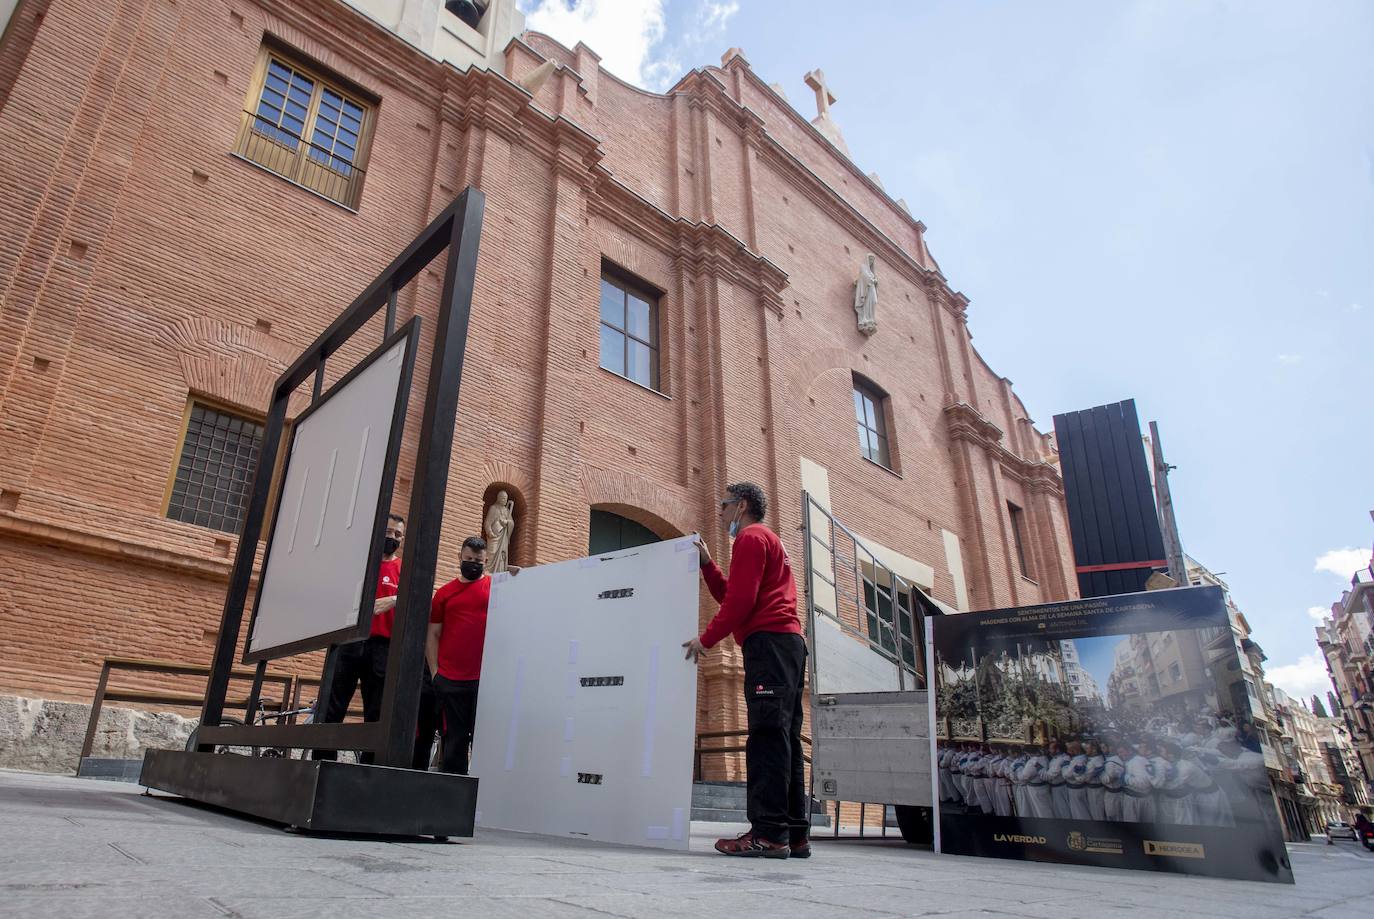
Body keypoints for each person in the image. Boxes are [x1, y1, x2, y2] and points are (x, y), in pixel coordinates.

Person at [683, 482, 807, 859]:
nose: (721, 515)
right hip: (786, 645)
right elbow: (735, 595)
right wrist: (708, 565)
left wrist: (705, 640)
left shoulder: (751, 538)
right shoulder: (769, 540)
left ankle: (768, 834)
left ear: (742, 505)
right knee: (784, 740)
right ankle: (794, 834)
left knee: (767, 738)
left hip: (769, 645)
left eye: (724, 506)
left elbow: (739, 602)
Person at [315, 514, 406, 764]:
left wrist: (395, 599)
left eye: (398, 535)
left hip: (382, 647)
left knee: (376, 712)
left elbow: (420, 599)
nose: (393, 538)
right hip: (350, 641)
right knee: (331, 707)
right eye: (389, 532)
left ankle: (369, 767)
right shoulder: (358, 563)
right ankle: (324, 762)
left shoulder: (404, 571)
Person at [426, 536, 518, 775]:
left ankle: (483, 796)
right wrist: (436, 673)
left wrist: (518, 574)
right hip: (450, 679)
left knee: (485, 740)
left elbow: (524, 595)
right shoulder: (444, 594)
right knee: (454, 741)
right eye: (468, 559)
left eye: (478, 560)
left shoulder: (496, 587)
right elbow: (433, 635)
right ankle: (454, 795)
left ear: (486, 560)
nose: (473, 563)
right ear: (460, 558)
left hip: (485, 679)